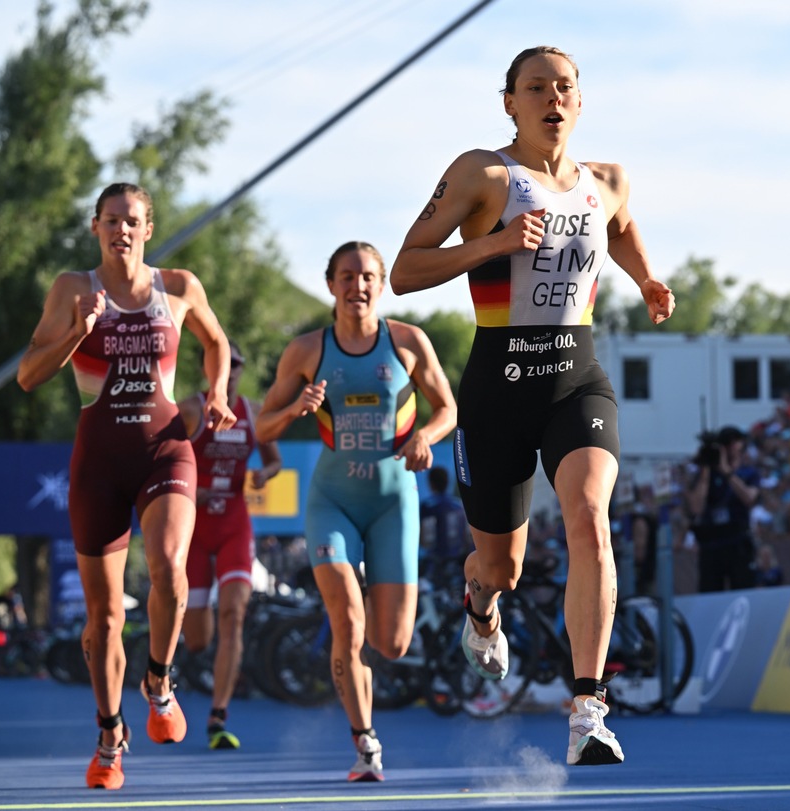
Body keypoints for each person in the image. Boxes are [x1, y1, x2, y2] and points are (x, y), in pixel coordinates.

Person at [390, 45, 675, 766]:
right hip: (497, 389)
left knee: (588, 517)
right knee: (502, 568)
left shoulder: (606, 179)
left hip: (575, 381)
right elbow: (404, 269)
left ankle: (587, 708)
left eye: (565, 87)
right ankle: (480, 607)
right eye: (536, 87)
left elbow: (619, 225)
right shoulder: (482, 173)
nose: (553, 97)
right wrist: (490, 243)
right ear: (510, 102)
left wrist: (645, 279)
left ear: (580, 103)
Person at [17, 182, 236, 790]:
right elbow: (30, 376)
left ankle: (159, 683)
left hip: (165, 449)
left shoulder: (180, 287)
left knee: (169, 565)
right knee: (105, 617)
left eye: (132, 220)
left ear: (147, 228)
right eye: (110, 220)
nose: (121, 229)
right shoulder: (72, 289)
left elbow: (216, 343)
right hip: (99, 464)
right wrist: (75, 332)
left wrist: (216, 391)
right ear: (96, 228)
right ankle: (111, 734)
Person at [256, 241, 456, 782]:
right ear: (331, 285)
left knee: (390, 642)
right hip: (333, 500)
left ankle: (367, 645)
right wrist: (297, 408)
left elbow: (448, 408)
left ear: (381, 284)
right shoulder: (306, 352)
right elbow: (262, 426)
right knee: (346, 619)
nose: (357, 286)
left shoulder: (408, 342)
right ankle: (365, 743)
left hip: (393, 501)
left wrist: (425, 438)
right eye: (346, 277)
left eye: (367, 276)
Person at [177, 340, 282, 750]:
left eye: (237, 364)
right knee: (199, 638)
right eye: (223, 364)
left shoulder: (254, 413)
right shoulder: (189, 410)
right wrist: (190, 488)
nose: (231, 371)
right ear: (209, 368)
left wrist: (265, 474)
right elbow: (163, 459)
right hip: (195, 528)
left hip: (235, 522)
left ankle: (218, 716)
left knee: (234, 612)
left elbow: (274, 460)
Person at [687, 426, 760, 592]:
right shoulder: (707, 475)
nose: (731, 448)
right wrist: (706, 468)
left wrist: (726, 471)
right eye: (726, 444)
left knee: (743, 590)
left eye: (734, 443)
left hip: (738, 540)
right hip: (711, 544)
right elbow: (696, 508)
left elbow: (749, 498)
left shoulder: (748, 473)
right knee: (709, 592)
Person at [418, 466, 471, 588]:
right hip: (457, 559)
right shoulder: (458, 505)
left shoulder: (428, 506)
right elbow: (467, 534)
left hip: (435, 561)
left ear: (431, 483)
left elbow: (424, 535)